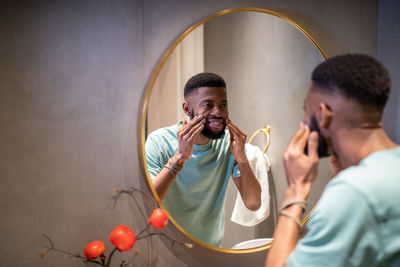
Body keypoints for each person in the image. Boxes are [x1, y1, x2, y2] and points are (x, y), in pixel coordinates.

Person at [266, 54, 400, 267]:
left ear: (322, 114)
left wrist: (296, 192)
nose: (303, 121)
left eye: (305, 110)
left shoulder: (353, 193)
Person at [145, 72, 261, 247]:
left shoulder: (229, 144)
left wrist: (242, 159)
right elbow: (148, 201)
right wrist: (179, 158)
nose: (218, 112)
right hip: (166, 249)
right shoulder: (159, 141)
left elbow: (253, 203)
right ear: (187, 109)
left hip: (211, 250)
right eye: (208, 105)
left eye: (223, 105)